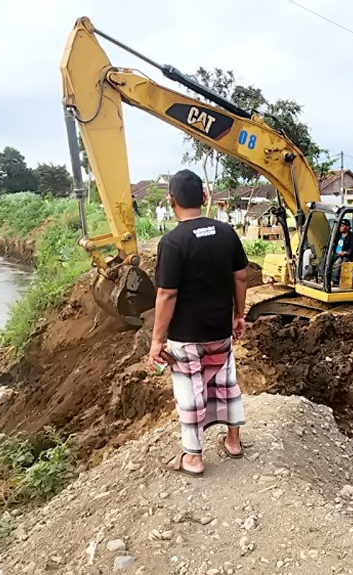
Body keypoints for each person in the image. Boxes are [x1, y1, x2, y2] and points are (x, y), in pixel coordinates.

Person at [148, 170, 248, 477]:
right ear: (205, 198)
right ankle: (233, 441)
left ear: (171, 201)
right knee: (225, 382)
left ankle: (193, 457)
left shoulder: (172, 242)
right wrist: (239, 315)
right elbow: (241, 276)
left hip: (186, 336)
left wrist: (156, 341)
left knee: (190, 391)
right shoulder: (227, 232)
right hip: (220, 329)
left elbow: (167, 293)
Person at [331, 219, 353, 285]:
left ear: (347, 227)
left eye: (342, 226)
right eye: (340, 226)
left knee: (338, 262)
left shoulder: (352, 237)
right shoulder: (337, 235)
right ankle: (322, 277)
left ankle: (334, 281)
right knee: (326, 259)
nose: (340, 227)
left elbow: (352, 250)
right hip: (335, 254)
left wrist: (344, 252)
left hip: (346, 256)